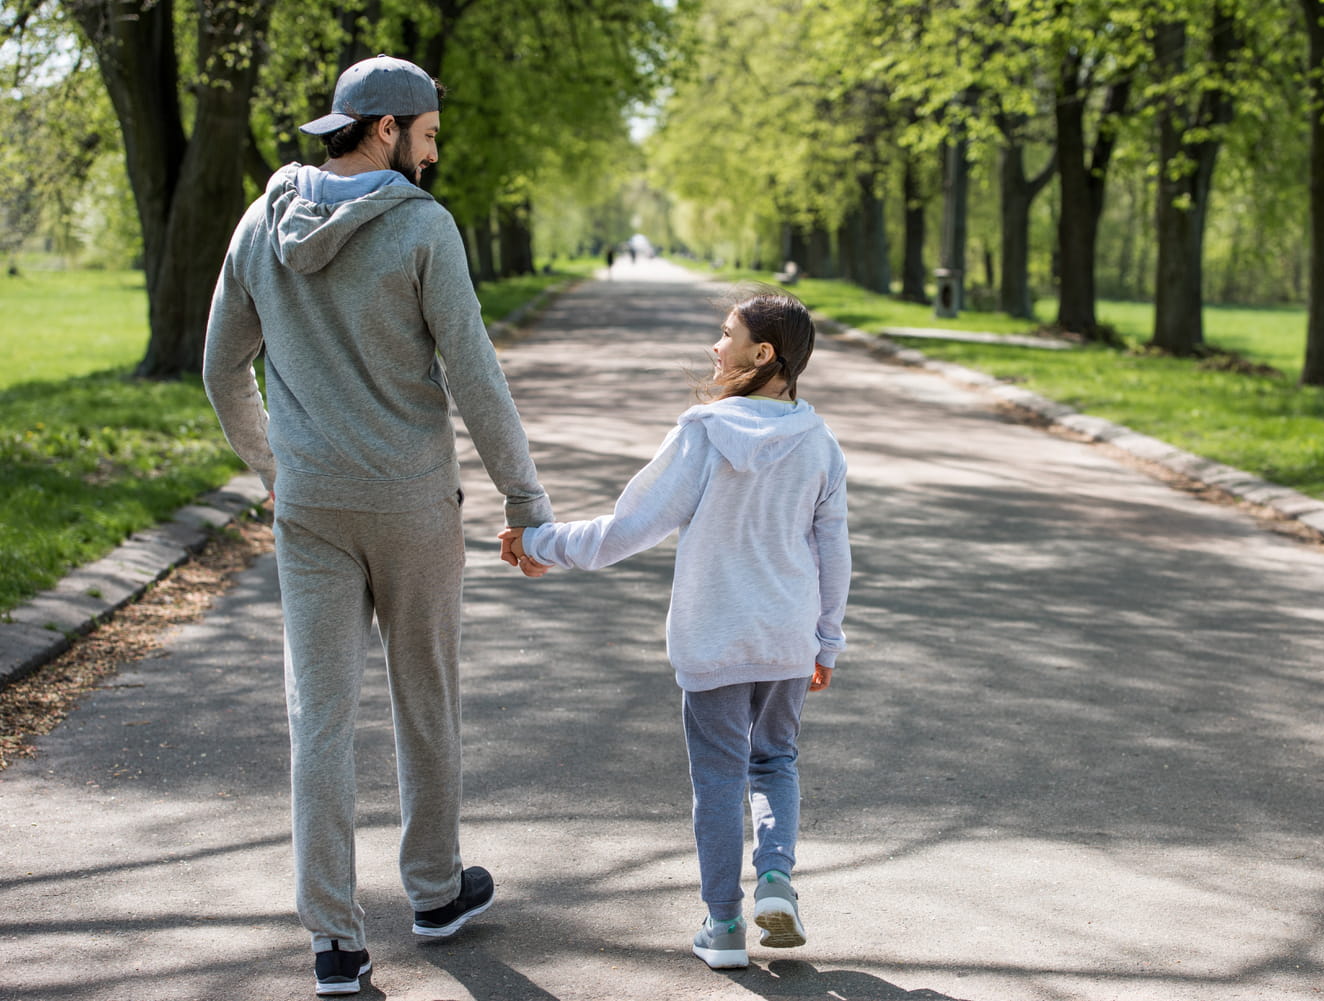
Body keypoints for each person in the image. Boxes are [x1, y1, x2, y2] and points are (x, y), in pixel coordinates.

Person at [202, 54, 552, 996]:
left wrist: (274, 466)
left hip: (311, 507)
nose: (434, 155)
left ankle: (334, 942)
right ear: (388, 128)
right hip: (410, 504)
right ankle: (435, 892)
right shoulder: (423, 227)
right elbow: (474, 375)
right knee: (423, 699)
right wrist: (527, 501)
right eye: (429, 134)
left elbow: (220, 371)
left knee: (318, 717)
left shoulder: (261, 225)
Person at [499, 285, 851, 970]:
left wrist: (538, 544)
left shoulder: (703, 432)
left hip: (714, 637)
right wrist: (827, 639)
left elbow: (624, 531)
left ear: (763, 352)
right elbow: (832, 552)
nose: (715, 346)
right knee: (774, 760)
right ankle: (775, 877)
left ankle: (723, 925)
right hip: (786, 639)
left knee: (719, 777)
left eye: (726, 333)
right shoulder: (820, 442)